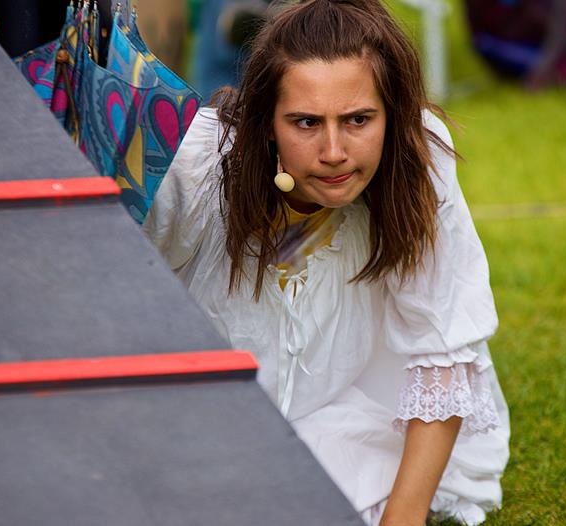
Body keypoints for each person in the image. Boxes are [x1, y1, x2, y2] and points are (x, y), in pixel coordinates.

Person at [143, 0, 510, 524]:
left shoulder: (418, 157)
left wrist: (401, 519)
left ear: (394, 112)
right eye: (306, 122)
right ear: (265, 121)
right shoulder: (194, 167)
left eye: (359, 119)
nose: (334, 151)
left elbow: (444, 345)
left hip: (350, 408)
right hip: (197, 416)